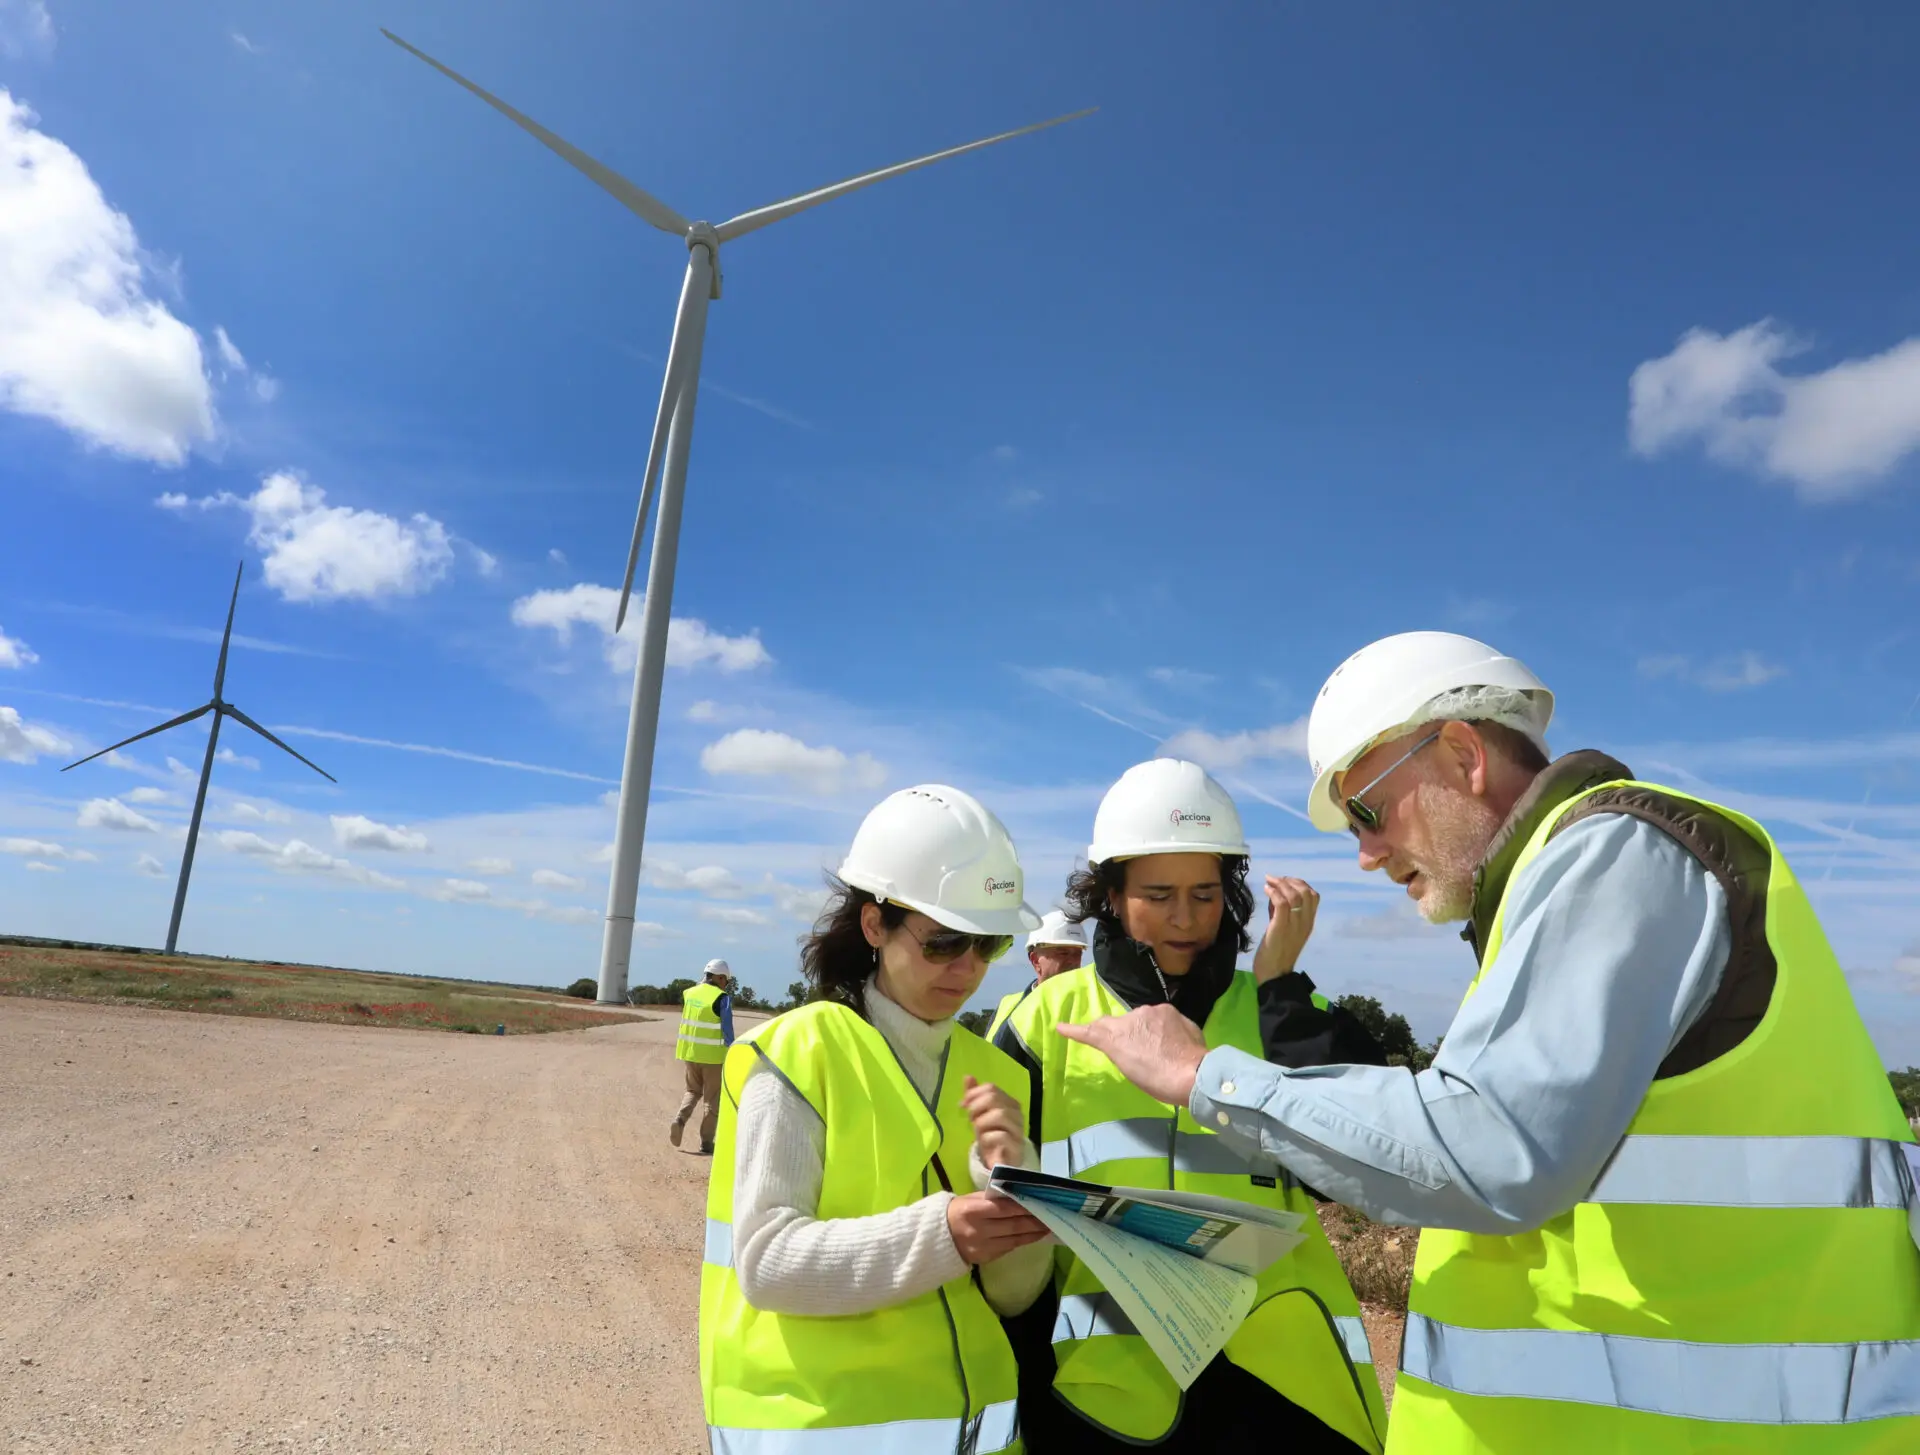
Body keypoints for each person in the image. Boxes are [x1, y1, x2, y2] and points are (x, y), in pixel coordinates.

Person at [1059, 632, 1920, 1453]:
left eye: (1367, 809)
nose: (1363, 852)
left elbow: (1491, 1147)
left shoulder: (1615, 853)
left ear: (1464, 756)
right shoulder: (1537, 908)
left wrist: (1206, 1075)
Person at [994, 758, 1389, 1454]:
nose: (1185, 917)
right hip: (1104, 1392)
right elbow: (1004, 1219)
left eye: (1205, 893)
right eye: (1159, 893)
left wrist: (1283, 988)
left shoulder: (1275, 1008)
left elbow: (1366, 1150)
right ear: (1111, 894)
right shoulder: (1043, 1024)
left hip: (1281, 1387)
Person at [699, 784, 1057, 1453]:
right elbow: (768, 1262)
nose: (968, 967)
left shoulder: (999, 1073)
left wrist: (1020, 1186)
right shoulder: (801, 1053)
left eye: (989, 944)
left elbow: (1012, 1298)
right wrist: (946, 1231)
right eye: (945, 940)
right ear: (874, 925)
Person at [985, 909, 1087, 1040]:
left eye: (1078, 954)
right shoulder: (1006, 1007)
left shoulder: (1090, 1009)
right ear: (1035, 960)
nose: (1073, 961)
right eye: (1063, 953)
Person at [670, 958, 736, 1155]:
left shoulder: (689, 993)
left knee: (692, 1091)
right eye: (726, 980)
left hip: (690, 1054)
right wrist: (732, 1049)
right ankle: (707, 1143)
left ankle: (679, 1120)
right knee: (712, 1100)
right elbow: (727, 1030)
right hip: (713, 1058)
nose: (726, 984)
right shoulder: (722, 998)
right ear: (720, 977)